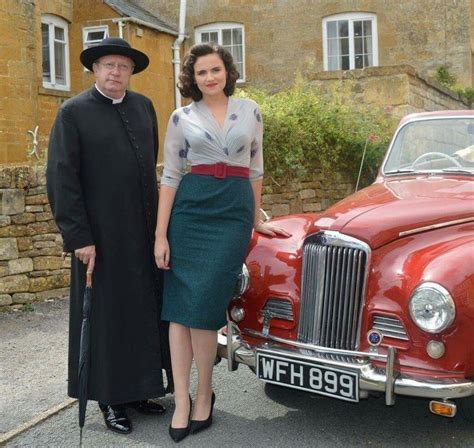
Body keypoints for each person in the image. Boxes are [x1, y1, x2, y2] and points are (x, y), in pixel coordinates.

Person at [155, 43, 290, 442]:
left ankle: (204, 394)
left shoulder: (250, 111)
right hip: (190, 210)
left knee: (205, 306)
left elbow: (256, 169)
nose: (209, 78)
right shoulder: (181, 117)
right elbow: (171, 177)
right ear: (192, 78)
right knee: (179, 309)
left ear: (227, 72)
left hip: (231, 211)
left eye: (215, 70)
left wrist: (255, 219)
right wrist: (161, 235)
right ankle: (183, 398)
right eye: (201, 73)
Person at [47, 37, 171, 435]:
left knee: (140, 311)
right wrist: (79, 236)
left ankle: (138, 389)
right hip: (99, 238)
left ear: (131, 71)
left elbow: (150, 168)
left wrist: (158, 230)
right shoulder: (73, 113)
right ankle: (109, 399)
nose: (115, 72)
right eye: (108, 65)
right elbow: (61, 180)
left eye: (122, 66)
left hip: (141, 232)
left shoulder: (143, 107)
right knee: (105, 318)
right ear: (95, 70)